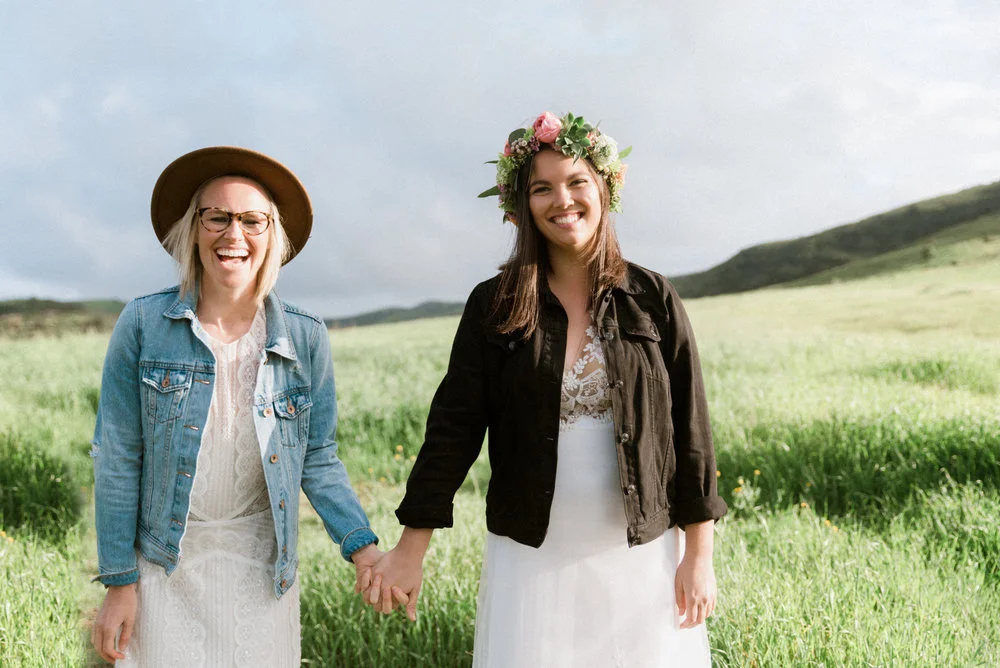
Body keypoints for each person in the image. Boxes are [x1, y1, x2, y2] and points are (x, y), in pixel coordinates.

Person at [367, 112, 728, 666]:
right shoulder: (495, 305)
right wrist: (411, 548)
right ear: (522, 205)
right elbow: (454, 430)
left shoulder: (653, 297)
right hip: (531, 560)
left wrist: (698, 554)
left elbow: (692, 433)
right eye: (542, 188)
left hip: (643, 552)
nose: (563, 200)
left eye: (577, 181)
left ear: (604, 189)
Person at [90, 147, 381, 666]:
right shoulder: (142, 324)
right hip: (164, 566)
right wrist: (119, 581)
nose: (233, 235)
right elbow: (117, 457)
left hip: (261, 572)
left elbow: (317, 457)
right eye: (217, 217)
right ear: (192, 227)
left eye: (252, 220)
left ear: (272, 234)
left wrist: (363, 548)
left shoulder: (305, 337)